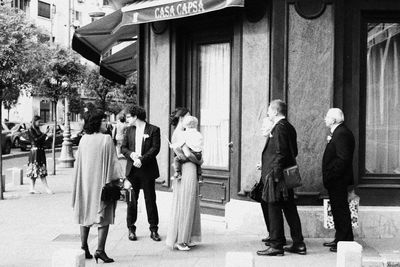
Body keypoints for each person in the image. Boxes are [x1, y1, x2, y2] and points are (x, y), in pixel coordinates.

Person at [72, 110, 123, 263]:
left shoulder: (83, 139)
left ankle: (84, 247)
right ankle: (100, 250)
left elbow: (78, 164)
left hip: (86, 184)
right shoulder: (106, 139)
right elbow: (113, 163)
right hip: (101, 183)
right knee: (104, 216)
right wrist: (120, 180)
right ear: (96, 123)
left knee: (85, 213)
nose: (106, 123)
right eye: (103, 121)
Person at [256, 100, 306, 257]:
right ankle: (298, 244)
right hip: (285, 175)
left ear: (276, 111)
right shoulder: (289, 127)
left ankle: (276, 245)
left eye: (269, 111)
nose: (268, 113)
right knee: (290, 209)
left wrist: (275, 174)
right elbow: (293, 152)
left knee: (274, 208)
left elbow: (281, 153)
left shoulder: (279, 128)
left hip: (276, 177)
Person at [121, 105, 161, 242]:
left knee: (150, 200)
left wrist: (141, 160)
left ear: (136, 116)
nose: (126, 119)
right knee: (131, 201)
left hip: (147, 170)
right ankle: (131, 229)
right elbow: (123, 148)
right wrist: (132, 155)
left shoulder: (154, 129)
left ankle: (154, 230)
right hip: (132, 171)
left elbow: (155, 149)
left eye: (128, 116)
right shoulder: (129, 130)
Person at [166, 108, 202, 251]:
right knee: (186, 202)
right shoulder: (179, 134)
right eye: (187, 116)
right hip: (188, 168)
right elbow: (187, 154)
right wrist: (200, 161)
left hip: (188, 168)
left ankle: (188, 237)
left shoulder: (185, 133)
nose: (190, 117)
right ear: (181, 118)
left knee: (189, 201)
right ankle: (181, 240)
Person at [322, 108, 355, 252]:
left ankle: (344, 240)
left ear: (334, 120)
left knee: (341, 210)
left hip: (338, 180)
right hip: (337, 180)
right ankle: (340, 238)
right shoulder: (339, 132)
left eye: (327, 116)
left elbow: (343, 159)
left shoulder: (341, 133)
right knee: (337, 209)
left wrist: (331, 174)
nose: (325, 118)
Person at [26, 115, 53, 194]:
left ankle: (32, 188)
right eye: (39, 122)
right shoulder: (31, 130)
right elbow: (36, 140)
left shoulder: (37, 130)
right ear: (34, 121)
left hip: (39, 151)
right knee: (37, 170)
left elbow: (41, 140)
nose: (40, 123)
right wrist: (45, 134)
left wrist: (48, 137)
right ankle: (46, 188)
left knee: (38, 170)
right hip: (35, 152)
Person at [171, 115, 203, 180]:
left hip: (189, 154)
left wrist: (172, 145)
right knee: (197, 163)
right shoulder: (199, 134)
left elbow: (180, 144)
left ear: (185, 125)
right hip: (199, 154)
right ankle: (200, 176)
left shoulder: (184, 134)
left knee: (176, 159)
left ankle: (178, 173)